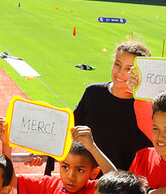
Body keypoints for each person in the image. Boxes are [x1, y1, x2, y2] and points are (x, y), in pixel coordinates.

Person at [64, 39, 152, 173]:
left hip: (121, 187)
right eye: (117, 64)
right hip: (86, 183)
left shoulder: (144, 109)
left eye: (129, 69)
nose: (120, 72)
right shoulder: (93, 93)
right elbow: (68, 132)